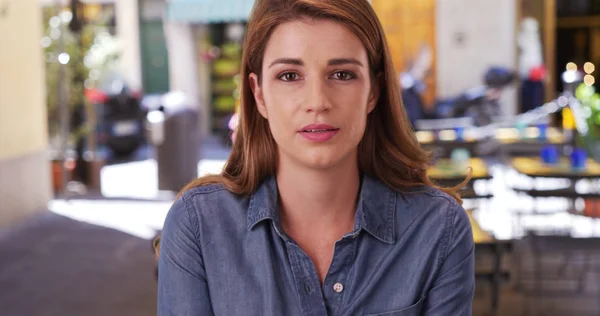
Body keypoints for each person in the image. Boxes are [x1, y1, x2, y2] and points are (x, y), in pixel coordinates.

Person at [158, 0, 474, 315]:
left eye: (341, 74)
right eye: (290, 76)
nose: (318, 102)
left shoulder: (437, 228)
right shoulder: (198, 225)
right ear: (259, 95)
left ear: (373, 92)